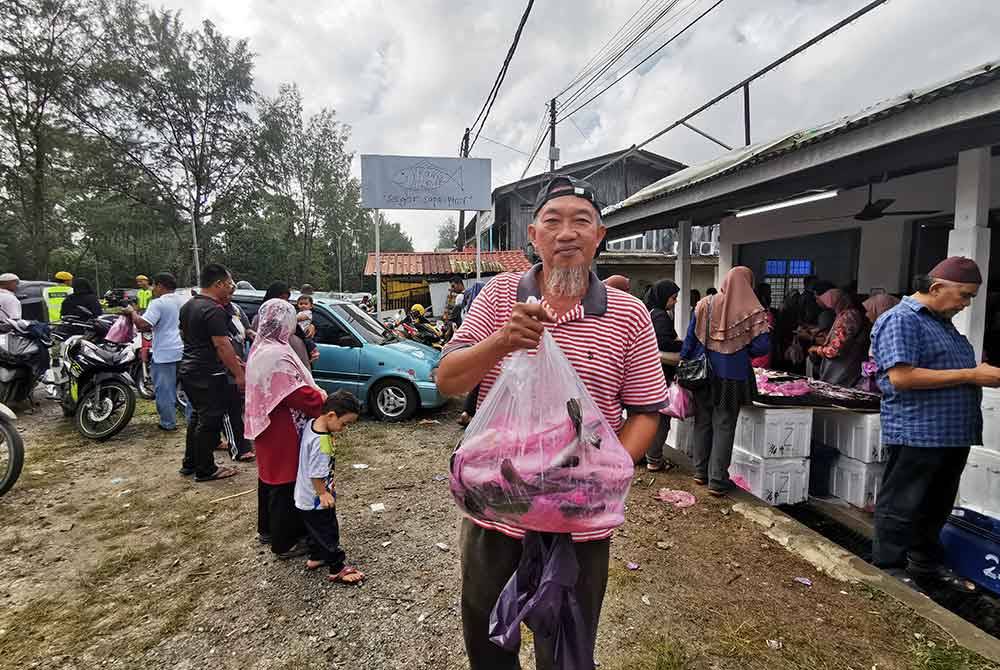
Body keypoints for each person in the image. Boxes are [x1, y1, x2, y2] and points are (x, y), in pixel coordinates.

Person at [437, 174, 667, 669]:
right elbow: (447, 381)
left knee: (567, 643)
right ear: (533, 237)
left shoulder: (629, 314)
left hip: (579, 521)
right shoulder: (499, 295)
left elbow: (648, 409)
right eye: (553, 222)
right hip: (497, 511)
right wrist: (501, 341)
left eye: (581, 221)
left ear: (599, 236)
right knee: (487, 636)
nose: (567, 233)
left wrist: (603, 471)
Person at [872, 257, 1000, 590]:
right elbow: (902, 376)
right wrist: (973, 374)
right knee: (903, 503)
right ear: (936, 288)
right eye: (964, 295)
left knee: (936, 504)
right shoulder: (901, 320)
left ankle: (925, 564)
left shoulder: (942, 323)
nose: (966, 304)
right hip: (918, 432)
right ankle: (889, 568)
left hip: (952, 434)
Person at [245, 298, 327, 555]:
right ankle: (285, 541)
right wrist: (321, 397)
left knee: (268, 478)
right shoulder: (276, 355)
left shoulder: (260, 347)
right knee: (284, 481)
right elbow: (297, 394)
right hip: (282, 426)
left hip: (264, 422)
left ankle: (267, 530)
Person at [680, 266, 770, 496]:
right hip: (732, 377)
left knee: (702, 422)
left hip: (703, 374)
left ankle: (700, 472)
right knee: (724, 425)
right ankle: (718, 480)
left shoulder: (705, 304)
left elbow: (689, 341)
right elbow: (762, 346)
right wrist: (740, 347)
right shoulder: (753, 311)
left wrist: (685, 363)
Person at [177, 263, 241, 482]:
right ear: (218, 284)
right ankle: (206, 469)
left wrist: (233, 358)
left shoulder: (189, 306)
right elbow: (222, 345)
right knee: (210, 419)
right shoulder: (213, 310)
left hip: (189, 369)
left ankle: (190, 463)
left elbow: (195, 339)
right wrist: (239, 374)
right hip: (207, 372)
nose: (230, 288)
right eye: (229, 284)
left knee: (198, 416)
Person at [295, 389, 365, 584]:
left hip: (304, 497)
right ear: (331, 415)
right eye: (345, 424)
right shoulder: (322, 442)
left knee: (315, 530)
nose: (344, 428)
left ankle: (316, 557)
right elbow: (316, 473)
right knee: (328, 531)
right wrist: (323, 493)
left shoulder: (312, 424)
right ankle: (337, 567)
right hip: (316, 498)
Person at [126, 273, 188, 431]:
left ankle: (168, 423)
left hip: (165, 352)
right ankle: (192, 421)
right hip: (185, 350)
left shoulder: (158, 303)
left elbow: (143, 325)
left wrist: (132, 312)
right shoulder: (184, 301)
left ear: (160, 286)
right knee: (189, 389)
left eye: (154, 286)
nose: (153, 289)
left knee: (165, 390)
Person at [643, 279, 683, 472]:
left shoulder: (649, 312)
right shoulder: (660, 316)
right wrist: (683, 343)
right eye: (673, 298)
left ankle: (646, 454)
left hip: (649, 374)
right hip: (661, 374)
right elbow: (664, 343)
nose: (675, 302)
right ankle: (654, 458)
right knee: (662, 419)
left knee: (650, 416)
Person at [808, 288, 869, 387]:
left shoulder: (848, 316)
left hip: (842, 367)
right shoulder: (845, 314)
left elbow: (835, 350)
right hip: (843, 365)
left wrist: (817, 349)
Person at [254, 282, 317, 366]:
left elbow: (302, 333)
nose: (283, 302)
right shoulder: (262, 320)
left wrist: (312, 325)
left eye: (286, 299)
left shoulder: (289, 317)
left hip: (298, 365)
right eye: (280, 298)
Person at [752, 283, 776, 369]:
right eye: (769, 293)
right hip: (761, 352)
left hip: (759, 350)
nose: (771, 297)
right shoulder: (762, 313)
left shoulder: (754, 310)